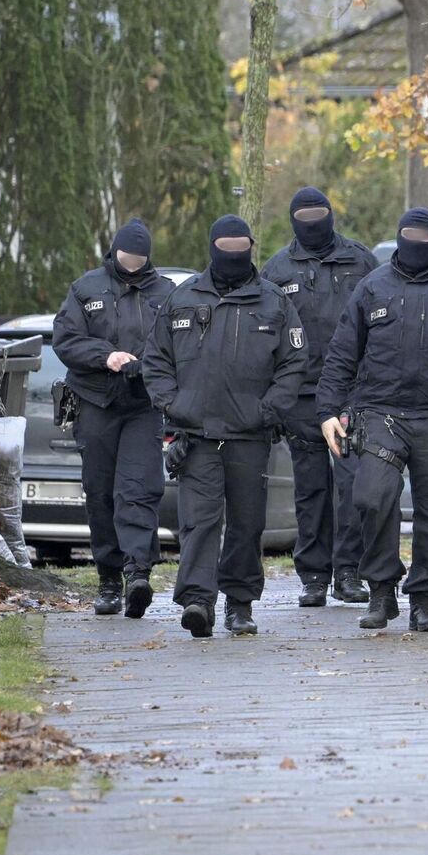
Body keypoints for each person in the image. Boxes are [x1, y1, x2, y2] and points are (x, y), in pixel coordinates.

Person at [317, 207, 428, 633]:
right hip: (380, 415)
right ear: (399, 237)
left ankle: (424, 600)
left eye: (424, 234)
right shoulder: (371, 288)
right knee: (371, 498)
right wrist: (327, 412)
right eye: (409, 233)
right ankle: (380, 591)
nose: (416, 240)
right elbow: (342, 354)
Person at [141, 215, 307, 638]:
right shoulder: (183, 299)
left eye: (240, 247)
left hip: (251, 436)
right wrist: (174, 405)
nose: (232, 255)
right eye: (225, 247)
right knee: (198, 522)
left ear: (251, 248)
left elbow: (293, 366)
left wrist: (268, 411)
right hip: (196, 435)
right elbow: (156, 360)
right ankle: (198, 600)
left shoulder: (274, 302)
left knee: (247, 524)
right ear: (212, 247)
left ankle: (240, 603)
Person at [261, 187, 379, 608]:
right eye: (304, 216)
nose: (312, 223)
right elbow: (264, 338)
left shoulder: (361, 261)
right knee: (310, 489)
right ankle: (314, 574)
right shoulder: (277, 269)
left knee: (350, 486)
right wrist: (273, 399)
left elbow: (380, 323)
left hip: (351, 393)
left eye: (319, 215)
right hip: (301, 395)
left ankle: (348, 571)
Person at [51, 218, 174, 619]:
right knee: (101, 493)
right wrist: (106, 356)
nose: (133, 263)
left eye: (140, 258)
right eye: (127, 256)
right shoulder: (86, 289)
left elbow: (178, 345)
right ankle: (108, 577)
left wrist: (148, 368)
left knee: (138, 490)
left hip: (142, 407)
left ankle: (137, 573)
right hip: (95, 403)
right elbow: (66, 340)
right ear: (114, 252)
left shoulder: (166, 292)